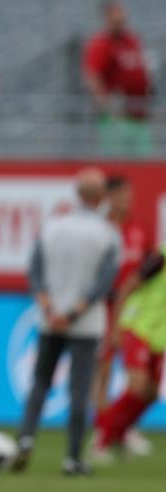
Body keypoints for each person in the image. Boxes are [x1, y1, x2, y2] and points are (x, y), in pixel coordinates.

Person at [12, 168, 121, 476]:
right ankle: (72, 457)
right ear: (101, 196)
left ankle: (26, 438)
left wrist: (50, 309)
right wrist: (73, 313)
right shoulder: (108, 233)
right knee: (78, 389)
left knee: (41, 382)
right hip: (85, 323)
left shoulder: (52, 226)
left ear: (76, 194)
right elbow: (104, 282)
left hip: (51, 320)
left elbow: (34, 271)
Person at [90, 176, 154, 456]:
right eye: (121, 196)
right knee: (102, 371)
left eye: (129, 196)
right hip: (105, 306)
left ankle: (124, 429)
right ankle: (100, 429)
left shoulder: (139, 228)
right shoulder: (100, 230)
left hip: (135, 311)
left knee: (136, 377)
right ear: (109, 198)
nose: (127, 201)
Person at [93, 244, 166, 461]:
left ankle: (120, 433)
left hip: (158, 335)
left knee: (151, 393)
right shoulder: (160, 258)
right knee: (137, 385)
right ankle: (102, 439)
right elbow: (128, 286)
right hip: (138, 326)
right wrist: (116, 325)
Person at [83, 1, 153, 156]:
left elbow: (140, 72)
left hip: (139, 115)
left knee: (145, 165)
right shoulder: (101, 44)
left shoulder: (132, 40)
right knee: (119, 164)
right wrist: (107, 106)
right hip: (117, 117)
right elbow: (93, 75)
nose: (120, 19)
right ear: (107, 17)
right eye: (116, 16)